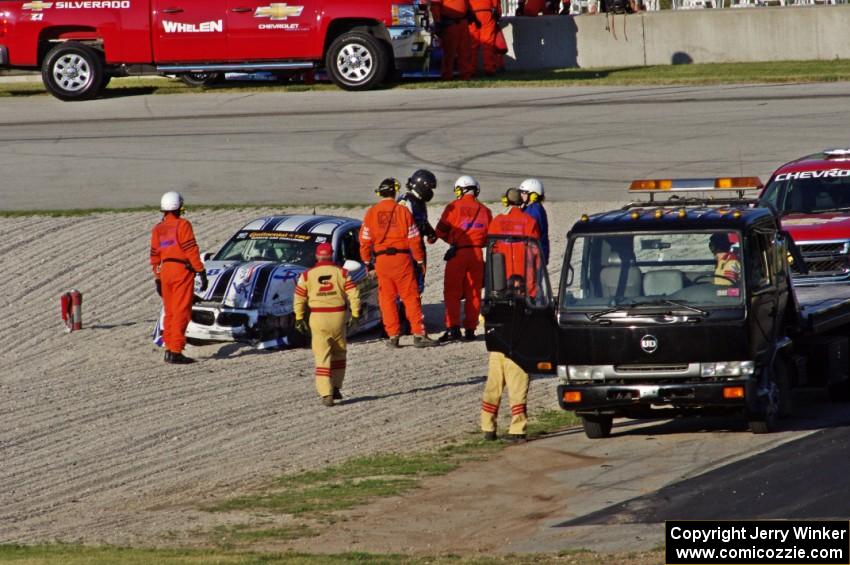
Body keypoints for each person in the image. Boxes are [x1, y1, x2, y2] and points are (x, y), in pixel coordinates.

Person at [360, 178, 439, 348]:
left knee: (387, 299)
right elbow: (414, 239)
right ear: (394, 191)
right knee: (410, 297)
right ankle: (418, 334)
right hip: (402, 260)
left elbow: (365, 241)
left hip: (381, 262)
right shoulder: (403, 212)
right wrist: (419, 260)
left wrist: (368, 263)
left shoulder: (372, 213)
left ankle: (393, 336)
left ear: (380, 193)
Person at [293, 243, 361, 407]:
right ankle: (336, 386)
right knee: (339, 353)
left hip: (318, 317)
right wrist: (356, 314)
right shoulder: (342, 273)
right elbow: (354, 294)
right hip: (338, 317)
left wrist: (299, 317)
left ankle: (326, 394)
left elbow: (299, 298)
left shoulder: (307, 275)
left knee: (322, 357)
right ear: (332, 255)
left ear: (317, 256)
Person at [149, 191, 208, 365]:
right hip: (181, 271)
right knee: (182, 310)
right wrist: (201, 270)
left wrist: (158, 278)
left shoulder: (158, 229)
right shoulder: (183, 225)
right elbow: (191, 249)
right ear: (180, 207)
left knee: (170, 311)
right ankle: (175, 351)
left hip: (165, 271)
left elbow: (154, 256)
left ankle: (169, 348)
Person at [434, 175, 493, 342]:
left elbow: (440, 231)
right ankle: (470, 330)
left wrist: (451, 240)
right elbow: (489, 237)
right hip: (476, 256)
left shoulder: (453, 207)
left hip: (458, 254)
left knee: (452, 293)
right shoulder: (485, 211)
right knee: (473, 292)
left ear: (461, 190)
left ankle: (453, 328)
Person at [398, 169, 438, 294]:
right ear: (422, 186)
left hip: (417, 246)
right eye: (429, 188)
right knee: (411, 284)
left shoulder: (419, 201)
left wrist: (430, 232)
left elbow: (421, 222)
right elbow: (404, 226)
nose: (431, 192)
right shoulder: (406, 202)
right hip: (408, 249)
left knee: (419, 282)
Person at [431, 0, 473, 81]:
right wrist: (437, 21)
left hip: (462, 22)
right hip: (450, 23)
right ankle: (447, 76)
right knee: (449, 51)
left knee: (465, 51)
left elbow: (466, 3)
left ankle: (465, 75)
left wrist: (471, 13)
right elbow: (435, 5)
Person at [518, 178, 550, 265]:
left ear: (533, 196)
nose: (520, 195)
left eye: (524, 192)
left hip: (534, 256)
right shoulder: (530, 208)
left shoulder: (535, 211)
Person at [468, 0, 501, 76]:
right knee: (488, 43)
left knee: (473, 44)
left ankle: (471, 70)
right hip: (487, 11)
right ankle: (489, 69)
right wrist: (497, 11)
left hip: (472, 12)